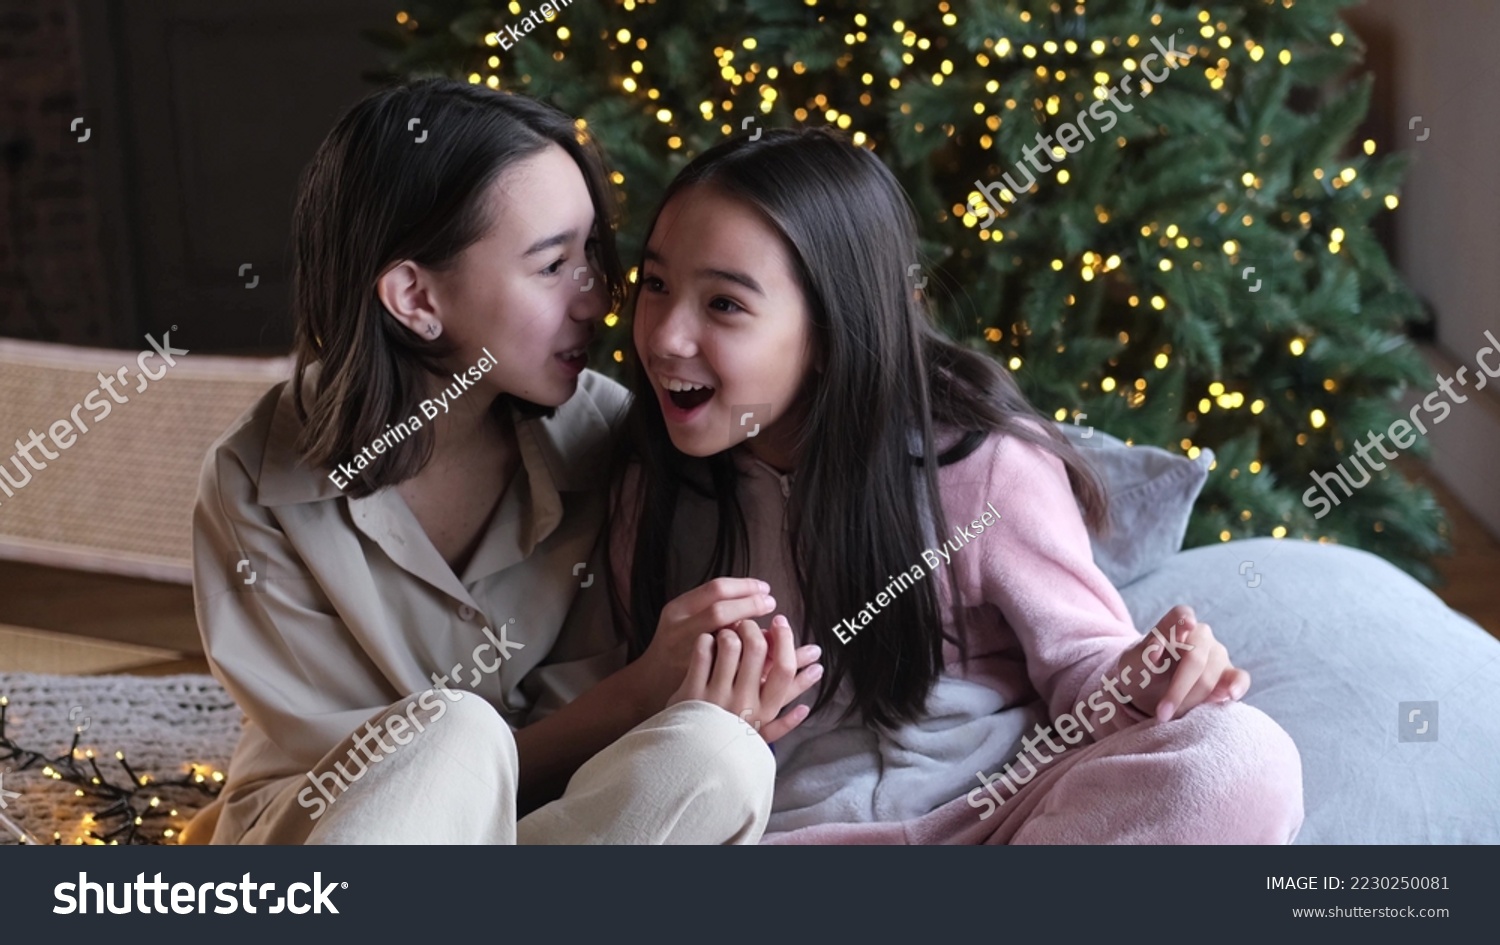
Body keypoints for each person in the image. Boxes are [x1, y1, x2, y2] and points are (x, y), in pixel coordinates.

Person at [608, 127, 1304, 844]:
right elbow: (642, 762)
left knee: (1240, 756)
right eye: (655, 285)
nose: (664, 336)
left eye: (723, 304)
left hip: (1003, 818)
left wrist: (1151, 677)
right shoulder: (653, 487)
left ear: (832, 328)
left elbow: (1084, 662)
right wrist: (696, 724)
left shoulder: (981, 464)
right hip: (779, 840)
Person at [182, 79, 819, 846]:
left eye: (592, 254)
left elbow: (614, 772)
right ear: (415, 298)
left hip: (550, 825)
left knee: (722, 757)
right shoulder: (256, 486)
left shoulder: (614, 439)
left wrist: (725, 690)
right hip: (338, 837)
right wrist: (635, 692)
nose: (598, 299)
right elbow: (366, 778)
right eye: (553, 266)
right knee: (452, 733)